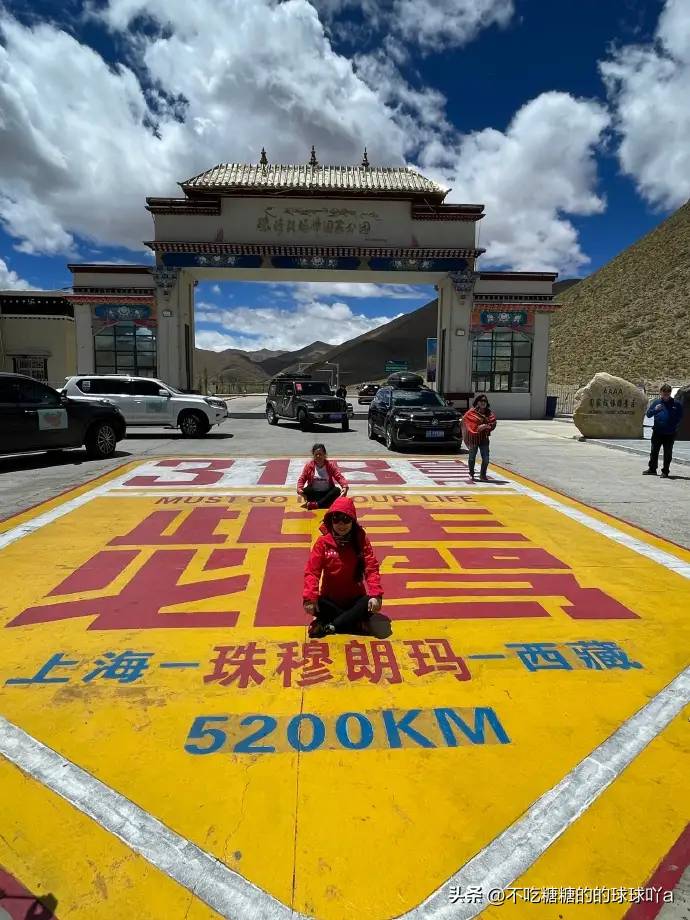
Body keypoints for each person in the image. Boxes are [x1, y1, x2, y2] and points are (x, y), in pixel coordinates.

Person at [303, 496, 383, 638]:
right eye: (337, 519)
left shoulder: (361, 541)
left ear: (353, 521)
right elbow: (312, 571)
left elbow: (371, 568)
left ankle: (330, 624)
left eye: (346, 519)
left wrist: (376, 595)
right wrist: (310, 598)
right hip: (330, 599)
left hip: (355, 600)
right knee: (314, 603)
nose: (341, 524)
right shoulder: (323, 543)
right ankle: (353, 621)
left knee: (368, 602)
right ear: (331, 520)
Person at [643, 384, 684, 478]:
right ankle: (652, 469)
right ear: (660, 392)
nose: (665, 394)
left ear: (670, 392)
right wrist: (655, 410)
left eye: (667, 392)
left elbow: (680, 416)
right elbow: (648, 415)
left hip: (670, 433)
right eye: (664, 392)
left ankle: (665, 471)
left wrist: (673, 424)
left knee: (667, 453)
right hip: (657, 431)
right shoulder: (656, 402)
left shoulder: (676, 404)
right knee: (654, 451)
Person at [297, 443, 349, 509]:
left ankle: (317, 504)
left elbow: (339, 476)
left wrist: (344, 486)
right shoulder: (309, 466)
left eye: (320, 454)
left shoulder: (330, 465)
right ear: (313, 455)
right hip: (314, 493)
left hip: (327, 493)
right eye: (316, 455)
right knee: (306, 490)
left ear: (324, 454)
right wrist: (299, 488)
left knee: (337, 490)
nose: (318, 456)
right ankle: (323, 503)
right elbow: (302, 478)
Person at [462, 395, 497, 481]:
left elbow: (493, 423)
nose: (483, 403)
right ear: (477, 402)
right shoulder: (471, 413)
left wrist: (487, 426)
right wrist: (476, 428)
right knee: (472, 457)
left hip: (484, 438)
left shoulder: (489, 413)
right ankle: (471, 473)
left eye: (485, 401)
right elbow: (465, 420)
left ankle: (483, 474)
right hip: (474, 438)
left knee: (486, 459)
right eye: (481, 401)